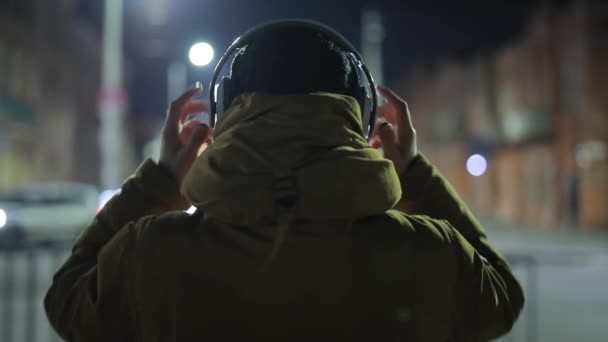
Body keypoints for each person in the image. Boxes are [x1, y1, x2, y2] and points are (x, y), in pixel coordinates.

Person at [44, 22, 524, 342]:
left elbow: (66, 301)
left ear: (221, 118)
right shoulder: (428, 253)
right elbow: (501, 298)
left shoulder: (150, 253)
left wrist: (160, 181)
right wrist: (416, 175)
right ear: (363, 123)